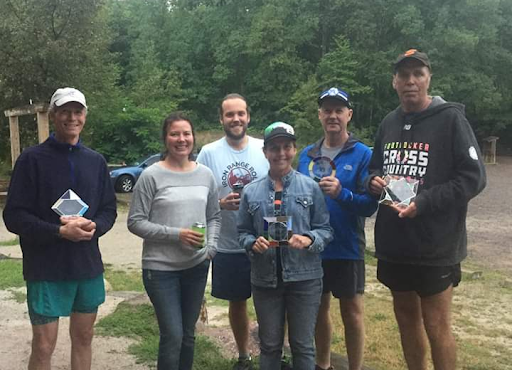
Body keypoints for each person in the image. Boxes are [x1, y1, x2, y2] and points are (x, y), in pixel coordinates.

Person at [365, 49, 486, 370]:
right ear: (394, 82)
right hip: (394, 244)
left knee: (436, 325)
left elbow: (474, 178)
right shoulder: (389, 122)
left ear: (428, 78)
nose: (410, 81)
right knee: (406, 321)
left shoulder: (450, 119)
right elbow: (374, 167)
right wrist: (373, 181)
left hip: (435, 244)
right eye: (403, 75)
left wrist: (424, 203)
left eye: (417, 74)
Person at [2, 87, 117, 370]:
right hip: (45, 268)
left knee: (84, 337)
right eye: (65, 111)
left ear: (85, 117)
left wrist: (94, 226)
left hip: (86, 265)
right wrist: (58, 232)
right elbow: (14, 216)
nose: (72, 117)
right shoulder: (31, 160)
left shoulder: (96, 161)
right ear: (53, 115)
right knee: (43, 346)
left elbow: (108, 211)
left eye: (78, 111)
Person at [127, 112, 221, 370]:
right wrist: (176, 234)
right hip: (160, 270)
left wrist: (211, 248)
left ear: (193, 137)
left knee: (188, 336)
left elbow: (214, 216)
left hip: (197, 266)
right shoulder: (151, 176)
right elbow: (135, 222)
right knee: (173, 335)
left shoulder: (205, 175)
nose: (181, 139)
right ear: (165, 138)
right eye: (174, 134)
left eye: (186, 133)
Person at [238, 122, 333, 370]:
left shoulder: (311, 187)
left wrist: (310, 239)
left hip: (305, 279)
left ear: (295, 149)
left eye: (287, 147)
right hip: (265, 280)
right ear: (265, 152)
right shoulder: (251, 191)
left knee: (303, 346)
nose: (281, 153)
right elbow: (242, 232)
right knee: (269, 346)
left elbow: (325, 229)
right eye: (275, 148)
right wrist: (252, 242)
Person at [297, 87, 378, 370]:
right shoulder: (306, 155)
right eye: (327, 110)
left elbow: (370, 206)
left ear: (349, 115)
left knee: (352, 313)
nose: (333, 116)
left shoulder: (363, 154)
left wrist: (342, 194)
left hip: (347, 247)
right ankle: (324, 365)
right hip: (314, 247)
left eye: (339, 110)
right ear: (319, 115)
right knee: (319, 310)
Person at [196, 93, 269, 369]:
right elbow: (197, 194)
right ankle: (243, 356)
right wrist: (218, 203)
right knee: (237, 303)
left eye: (241, 113)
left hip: (265, 241)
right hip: (227, 243)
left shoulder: (264, 148)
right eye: (230, 114)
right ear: (221, 119)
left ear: (248, 116)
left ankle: (273, 353)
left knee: (271, 302)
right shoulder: (209, 153)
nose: (236, 119)